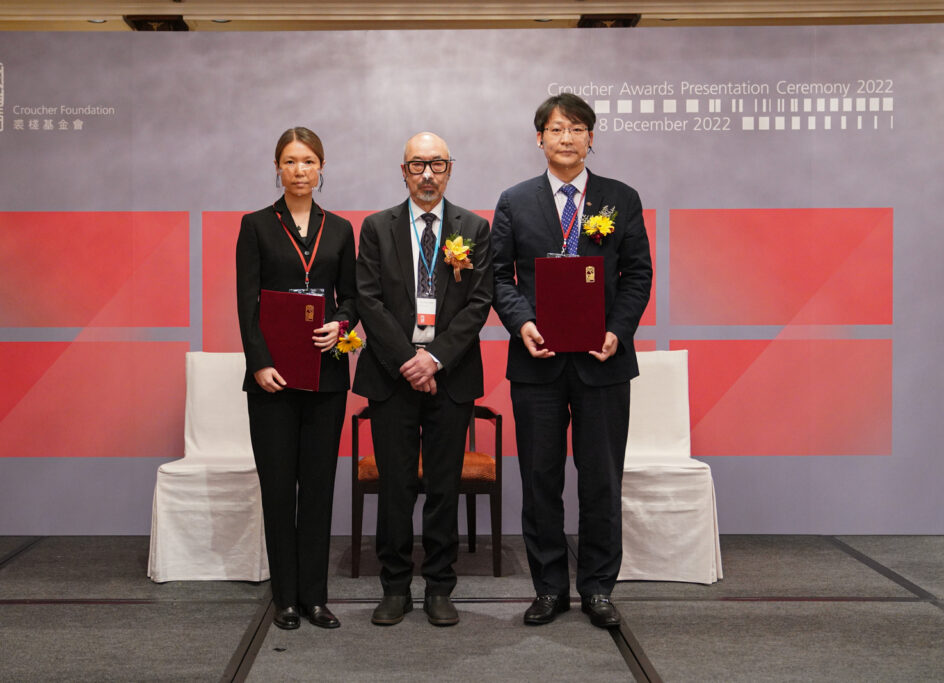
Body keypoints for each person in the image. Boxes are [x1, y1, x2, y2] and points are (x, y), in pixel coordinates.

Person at [489, 94, 652, 629]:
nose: (566, 137)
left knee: (602, 479)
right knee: (541, 480)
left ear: (591, 138)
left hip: (602, 362)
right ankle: (549, 588)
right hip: (537, 363)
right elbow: (498, 277)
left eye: (577, 128)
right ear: (540, 138)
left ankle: (600, 588)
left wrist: (616, 330)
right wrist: (523, 324)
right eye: (557, 129)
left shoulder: (620, 199)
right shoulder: (514, 201)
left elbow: (637, 275)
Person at [353, 132, 493, 627]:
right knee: (395, 486)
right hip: (392, 377)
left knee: (442, 487)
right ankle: (393, 586)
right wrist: (409, 360)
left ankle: (438, 586)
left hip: (449, 376)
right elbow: (367, 300)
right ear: (403, 171)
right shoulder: (376, 228)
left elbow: (479, 304)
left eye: (437, 164)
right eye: (418, 165)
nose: (427, 174)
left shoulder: (475, 228)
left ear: (450, 168)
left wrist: (433, 360)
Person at [235, 127, 358, 631]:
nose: (300, 170)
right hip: (272, 380)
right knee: (280, 490)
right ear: (278, 168)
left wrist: (342, 325)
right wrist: (260, 362)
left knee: (319, 489)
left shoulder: (340, 228)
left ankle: (315, 597)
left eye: (308, 161)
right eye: (290, 161)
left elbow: (350, 297)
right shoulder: (257, 225)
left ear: (321, 168)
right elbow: (247, 304)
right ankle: (284, 597)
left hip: (325, 375)